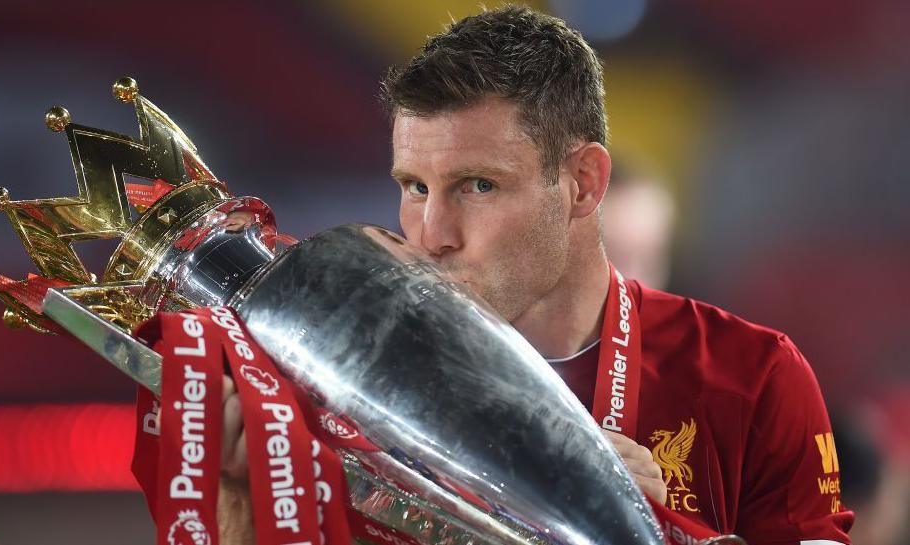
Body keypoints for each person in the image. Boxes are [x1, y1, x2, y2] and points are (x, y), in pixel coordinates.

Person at [216, 6, 853, 544]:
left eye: (478, 185)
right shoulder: (327, 389)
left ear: (582, 184)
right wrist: (242, 512)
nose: (432, 233)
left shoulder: (751, 378)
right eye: (414, 187)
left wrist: (651, 530)